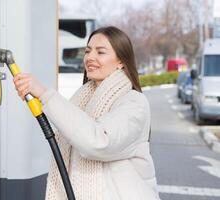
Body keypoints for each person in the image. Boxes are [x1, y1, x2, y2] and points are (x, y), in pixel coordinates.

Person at [13, 26, 160, 200]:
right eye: (88, 51)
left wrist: (45, 94)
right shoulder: (82, 99)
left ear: (121, 61)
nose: (90, 57)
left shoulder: (134, 102)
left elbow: (99, 141)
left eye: (101, 52)